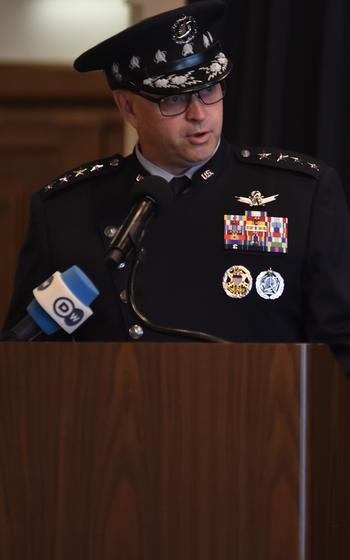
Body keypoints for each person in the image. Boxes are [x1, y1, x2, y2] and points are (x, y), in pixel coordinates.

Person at [2, 0, 350, 377]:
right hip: (122, 426)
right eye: (174, 98)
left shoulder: (301, 194)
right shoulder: (67, 210)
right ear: (128, 108)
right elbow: (26, 363)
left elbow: (340, 348)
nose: (199, 113)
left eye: (210, 90)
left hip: (265, 426)